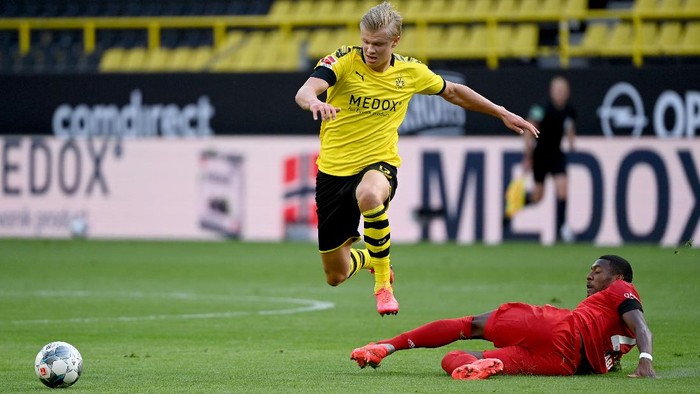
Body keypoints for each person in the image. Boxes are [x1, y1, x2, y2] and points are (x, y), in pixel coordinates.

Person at [294, 2, 539, 316]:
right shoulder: (342, 60)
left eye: (378, 44)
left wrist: (502, 112)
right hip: (332, 173)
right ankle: (372, 260)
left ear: (395, 41)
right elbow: (305, 90)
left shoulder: (410, 71)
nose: (370, 49)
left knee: (370, 194)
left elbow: (453, 92)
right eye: (366, 41)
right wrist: (313, 100)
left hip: (378, 163)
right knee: (335, 275)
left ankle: (383, 286)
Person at [351, 255, 656, 380]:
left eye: (597, 271)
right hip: (564, 364)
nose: (589, 277)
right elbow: (617, 343)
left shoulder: (622, 289)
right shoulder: (610, 331)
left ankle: (386, 346)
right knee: (455, 359)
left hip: (556, 328)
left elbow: (640, 325)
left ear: (617, 277)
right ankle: (480, 366)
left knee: (466, 327)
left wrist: (646, 360)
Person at [505, 76, 576, 242]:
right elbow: (529, 127)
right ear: (552, 91)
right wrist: (528, 154)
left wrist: (572, 138)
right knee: (537, 197)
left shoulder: (569, 110)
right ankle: (512, 206)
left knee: (563, 189)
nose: (561, 94)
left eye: (564, 91)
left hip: (557, 154)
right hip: (541, 155)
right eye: (558, 90)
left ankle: (562, 229)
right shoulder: (542, 108)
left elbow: (570, 125)